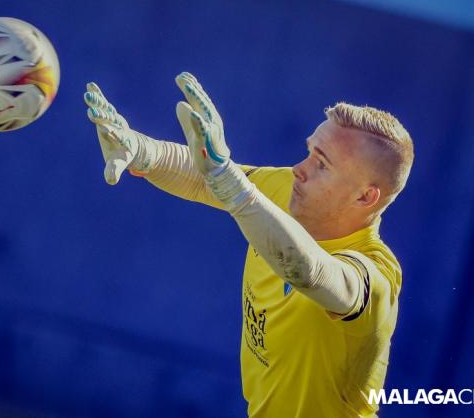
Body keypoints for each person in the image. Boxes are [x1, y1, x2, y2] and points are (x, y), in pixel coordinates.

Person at [84, 72, 414, 417]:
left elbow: (308, 271)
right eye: (309, 152)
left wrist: (228, 179)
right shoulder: (290, 192)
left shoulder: (375, 274)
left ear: (366, 196)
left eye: (322, 164)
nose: (299, 169)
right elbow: (203, 180)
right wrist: (140, 149)